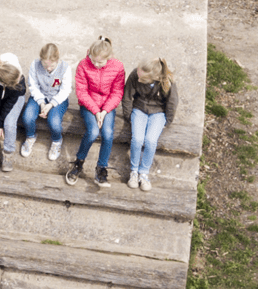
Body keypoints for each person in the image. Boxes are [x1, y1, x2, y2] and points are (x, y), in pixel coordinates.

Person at [66, 36, 126, 188]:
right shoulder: (83, 65)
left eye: (100, 62)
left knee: (107, 133)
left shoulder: (118, 67)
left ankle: (101, 168)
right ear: (89, 54)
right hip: (89, 104)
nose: (96, 64)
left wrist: (105, 111)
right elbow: (82, 91)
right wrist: (95, 110)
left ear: (109, 57)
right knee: (92, 132)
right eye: (93, 60)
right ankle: (78, 163)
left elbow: (117, 92)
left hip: (107, 106)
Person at [120, 58, 178, 192]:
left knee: (151, 141)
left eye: (142, 80)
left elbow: (172, 102)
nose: (138, 79)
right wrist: (129, 116)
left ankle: (144, 173)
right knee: (137, 139)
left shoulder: (167, 81)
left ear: (155, 78)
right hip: (139, 109)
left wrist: (167, 121)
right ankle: (134, 171)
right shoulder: (136, 73)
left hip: (158, 112)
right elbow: (127, 96)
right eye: (139, 76)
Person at [20, 43, 73, 162]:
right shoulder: (35, 65)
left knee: (53, 121)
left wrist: (51, 104)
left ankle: (56, 141)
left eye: (52, 66)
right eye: (45, 65)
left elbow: (65, 90)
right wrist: (41, 102)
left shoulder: (65, 68)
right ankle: (30, 137)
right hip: (39, 95)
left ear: (57, 60)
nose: (48, 68)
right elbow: (33, 85)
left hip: (58, 98)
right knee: (27, 116)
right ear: (41, 60)